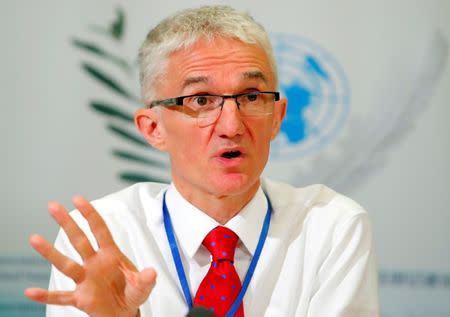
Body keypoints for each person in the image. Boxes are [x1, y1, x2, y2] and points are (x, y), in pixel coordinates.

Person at [25, 5, 379, 317]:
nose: (231, 125)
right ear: (153, 128)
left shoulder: (330, 228)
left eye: (252, 96)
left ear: (277, 116)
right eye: (200, 100)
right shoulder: (105, 238)